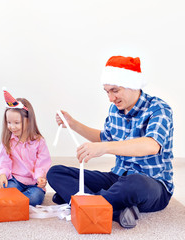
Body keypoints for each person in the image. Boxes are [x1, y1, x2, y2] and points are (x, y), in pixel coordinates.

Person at [47, 56, 173, 228]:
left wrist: (104, 148)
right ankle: (115, 210)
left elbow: (150, 145)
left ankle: (80, 200)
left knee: (134, 182)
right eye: (107, 92)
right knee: (56, 173)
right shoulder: (115, 109)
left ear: (132, 85)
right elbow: (104, 138)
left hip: (152, 183)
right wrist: (73, 124)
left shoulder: (159, 109)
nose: (110, 98)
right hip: (118, 177)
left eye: (115, 90)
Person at [0, 88, 52, 206]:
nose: (12, 127)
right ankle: (17, 200)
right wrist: (2, 176)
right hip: (15, 180)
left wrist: (40, 178)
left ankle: (16, 201)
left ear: (29, 121)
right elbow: (4, 162)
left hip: (34, 183)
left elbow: (43, 163)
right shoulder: (7, 141)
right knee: (6, 189)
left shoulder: (39, 141)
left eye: (17, 123)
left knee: (35, 198)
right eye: (9, 122)